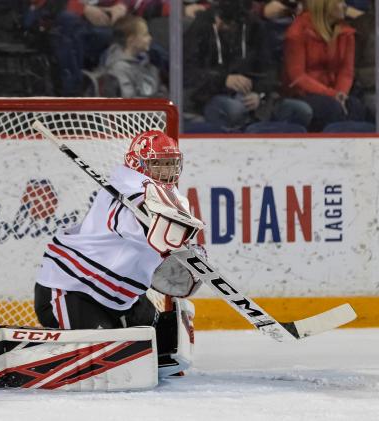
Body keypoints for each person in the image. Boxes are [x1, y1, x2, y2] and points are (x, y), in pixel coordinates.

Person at [34, 130, 204, 374]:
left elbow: (163, 250)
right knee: (105, 365)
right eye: (158, 164)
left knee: (164, 352)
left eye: (170, 164)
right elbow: (129, 224)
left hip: (122, 298)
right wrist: (157, 229)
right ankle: (30, 352)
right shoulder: (124, 189)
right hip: (72, 290)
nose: (166, 171)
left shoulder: (172, 198)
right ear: (138, 164)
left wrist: (184, 254)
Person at [183, 0, 312, 131]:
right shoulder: (201, 26)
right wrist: (224, 80)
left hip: (254, 99)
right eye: (222, 20)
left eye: (230, 24)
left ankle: (257, 130)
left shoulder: (254, 26)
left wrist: (259, 94)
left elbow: (269, 69)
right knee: (234, 110)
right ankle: (251, 130)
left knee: (301, 110)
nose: (222, 25)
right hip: (212, 96)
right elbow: (187, 72)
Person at [283, 0, 365, 132]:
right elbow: (297, 77)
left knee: (355, 106)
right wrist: (332, 94)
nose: (345, 6)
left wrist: (341, 94)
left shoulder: (346, 33)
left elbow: (346, 71)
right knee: (331, 108)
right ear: (324, 5)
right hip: (304, 93)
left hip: (335, 92)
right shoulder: (297, 33)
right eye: (339, 2)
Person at [99, 15, 167, 97]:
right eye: (145, 35)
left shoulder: (149, 62)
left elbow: (159, 89)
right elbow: (129, 101)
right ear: (131, 40)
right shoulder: (118, 68)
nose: (150, 38)